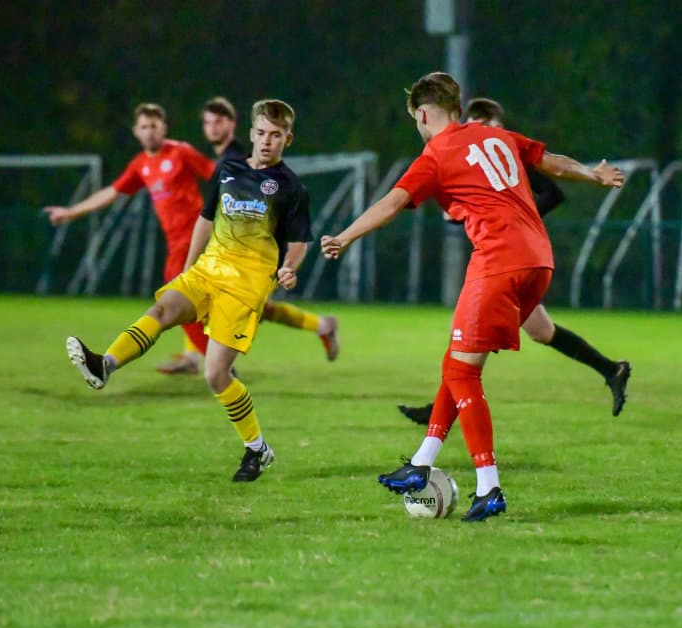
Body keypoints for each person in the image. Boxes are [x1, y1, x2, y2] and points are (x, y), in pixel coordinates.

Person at [321, 72, 624, 521]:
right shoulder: (496, 135)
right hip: (539, 261)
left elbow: (391, 203)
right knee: (459, 360)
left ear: (424, 114)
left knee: (463, 373)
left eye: (416, 120)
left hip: (498, 260)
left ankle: (489, 486)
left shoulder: (437, 153)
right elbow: (553, 163)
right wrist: (592, 174)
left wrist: (345, 237)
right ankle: (421, 463)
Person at [65, 99, 312, 482]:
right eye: (262, 133)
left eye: (276, 135)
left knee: (216, 375)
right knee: (163, 309)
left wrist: (289, 268)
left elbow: (299, 241)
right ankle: (105, 365)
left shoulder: (291, 187)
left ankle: (257, 449)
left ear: (287, 139)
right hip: (208, 270)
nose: (267, 141)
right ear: (251, 134)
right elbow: (206, 219)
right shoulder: (229, 170)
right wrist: (188, 268)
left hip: (245, 285)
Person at [397, 97, 630, 425]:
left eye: (488, 124)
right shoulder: (476, 155)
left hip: (513, 260)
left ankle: (438, 416)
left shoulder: (505, 155)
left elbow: (553, 192)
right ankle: (611, 369)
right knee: (540, 331)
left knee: (467, 340)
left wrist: (517, 219)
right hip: (510, 259)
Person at [155, 97, 339, 372]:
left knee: (218, 303)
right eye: (207, 122)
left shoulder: (239, 159)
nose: (212, 128)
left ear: (233, 125)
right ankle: (322, 326)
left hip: (256, 255)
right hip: (232, 253)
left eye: (219, 122)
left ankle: (214, 365)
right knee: (226, 304)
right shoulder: (229, 160)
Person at [44, 103, 216, 374]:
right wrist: (71, 212)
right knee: (187, 303)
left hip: (195, 239)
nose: (149, 132)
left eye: (154, 126)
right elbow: (112, 192)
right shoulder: (141, 165)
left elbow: (217, 176)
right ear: (136, 131)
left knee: (175, 302)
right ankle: (199, 358)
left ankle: (215, 362)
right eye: (144, 127)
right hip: (176, 243)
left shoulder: (181, 152)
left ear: (164, 128)